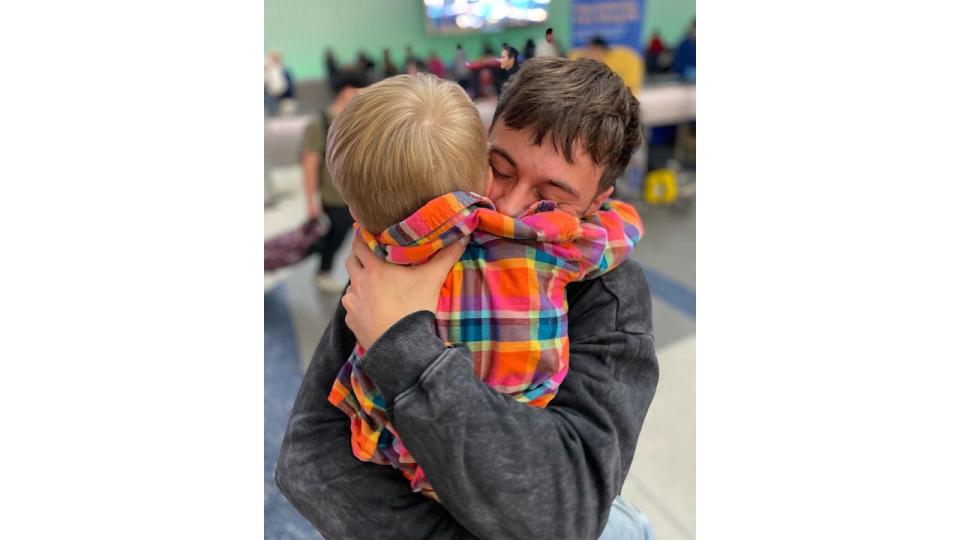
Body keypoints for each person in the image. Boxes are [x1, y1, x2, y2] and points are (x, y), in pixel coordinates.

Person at [277, 57, 658, 540]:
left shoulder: (610, 295)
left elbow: (569, 511)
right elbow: (308, 460)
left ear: (599, 200)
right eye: (498, 169)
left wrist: (404, 346)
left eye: (552, 196)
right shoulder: (415, 244)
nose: (509, 209)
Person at [299, 69, 369, 293]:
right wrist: (310, 201)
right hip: (333, 195)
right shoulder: (319, 123)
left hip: (357, 194)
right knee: (335, 234)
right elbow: (310, 163)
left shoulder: (356, 120)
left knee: (355, 236)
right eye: (360, 91)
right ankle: (322, 271)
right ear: (347, 91)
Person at [264, 51, 294, 116]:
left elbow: (286, 88)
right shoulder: (268, 72)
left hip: (285, 100)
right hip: (271, 100)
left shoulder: (284, 71)